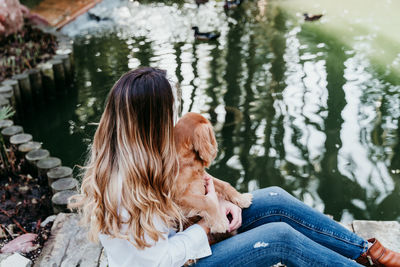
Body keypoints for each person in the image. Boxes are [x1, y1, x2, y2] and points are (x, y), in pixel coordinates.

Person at [70, 67, 400, 267]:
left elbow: (176, 208)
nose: (173, 119)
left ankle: (370, 253)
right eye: (168, 113)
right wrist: (208, 226)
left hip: (185, 246)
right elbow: (155, 261)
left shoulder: (144, 153)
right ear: (150, 122)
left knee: (271, 199)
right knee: (278, 238)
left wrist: (220, 203)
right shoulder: (120, 188)